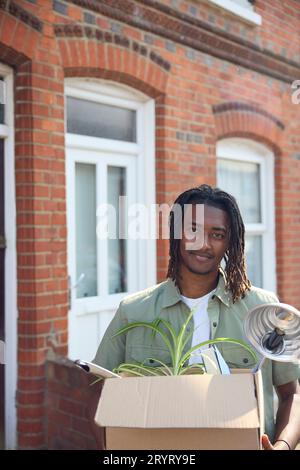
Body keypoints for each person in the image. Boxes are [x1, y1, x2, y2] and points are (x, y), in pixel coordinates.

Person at [93, 184, 300, 450]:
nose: (204, 243)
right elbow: (97, 391)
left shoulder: (262, 310)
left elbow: (291, 394)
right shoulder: (133, 311)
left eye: (217, 234)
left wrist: (282, 446)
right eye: (193, 230)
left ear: (229, 242)